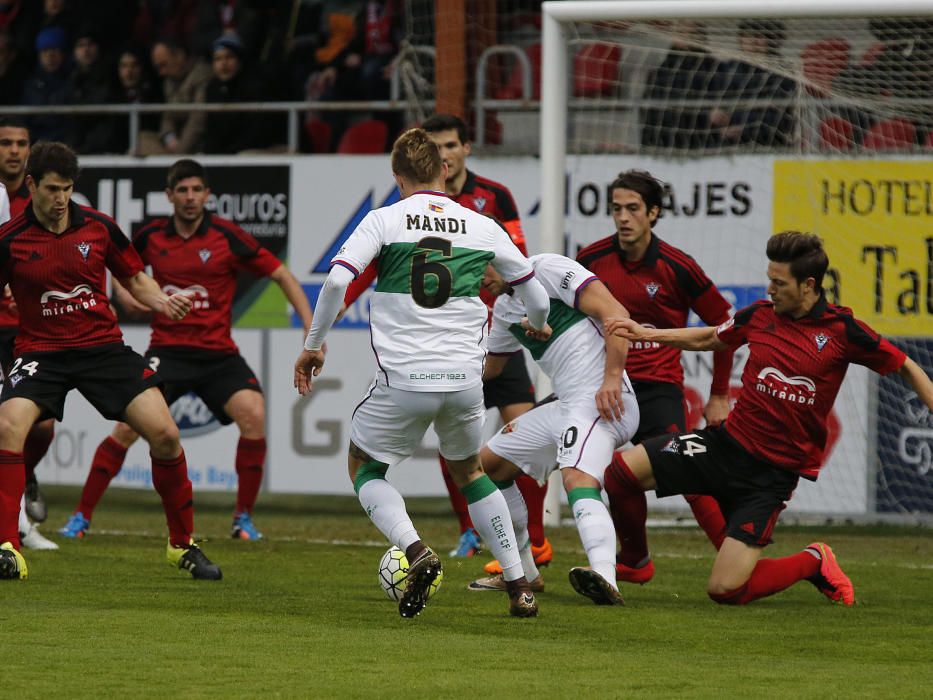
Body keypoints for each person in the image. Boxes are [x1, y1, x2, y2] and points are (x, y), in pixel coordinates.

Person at [294, 128, 550, 618]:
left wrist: (313, 345)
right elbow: (534, 295)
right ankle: (520, 586)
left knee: (365, 467)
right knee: (471, 472)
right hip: (464, 380)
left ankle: (415, 551)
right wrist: (536, 326)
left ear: (397, 177)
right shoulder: (481, 223)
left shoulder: (384, 220)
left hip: (404, 379)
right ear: (445, 171)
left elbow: (337, 282)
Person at [604, 231, 933, 605]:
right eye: (769, 279)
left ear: (808, 285)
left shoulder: (843, 331)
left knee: (725, 590)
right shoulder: (760, 316)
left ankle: (814, 561)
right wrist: (646, 333)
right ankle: (634, 562)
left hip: (768, 477)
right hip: (722, 447)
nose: (770, 289)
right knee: (619, 475)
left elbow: (906, 367)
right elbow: (710, 338)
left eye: (779, 282)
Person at [0, 141, 221, 581]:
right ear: (31, 186)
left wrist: (161, 301)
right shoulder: (10, 240)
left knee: (165, 434)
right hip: (41, 353)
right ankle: (7, 546)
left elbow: (135, 278)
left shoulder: (99, 228)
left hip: (102, 348)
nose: (61, 199)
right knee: (9, 427)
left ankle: (182, 545)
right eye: (51, 190)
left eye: (67, 189)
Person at [60, 158, 313, 542]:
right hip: (168, 350)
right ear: (170, 196)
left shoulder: (227, 236)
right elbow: (123, 274)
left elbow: (280, 273)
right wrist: (130, 301)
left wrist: (312, 329)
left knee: (254, 414)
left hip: (218, 354)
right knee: (128, 427)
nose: (191, 197)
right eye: (183, 190)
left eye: (197, 190)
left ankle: (242, 518)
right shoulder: (150, 236)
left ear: (208, 195)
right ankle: (81, 516)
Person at [577, 170, 733, 584]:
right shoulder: (591, 261)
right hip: (603, 388)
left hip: (657, 389)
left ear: (653, 213)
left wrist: (718, 395)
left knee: (687, 471)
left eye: (632, 209)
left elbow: (725, 329)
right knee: (537, 451)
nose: (623, 217)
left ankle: (737, 560)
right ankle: (628, 561)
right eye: (616, 209)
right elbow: (566, 316)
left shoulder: (677, 267)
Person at [468, 254, 640, 605]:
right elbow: (492, 369)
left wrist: (610, 378)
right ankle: (523, 572)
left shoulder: (546, 269)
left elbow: (616, 315)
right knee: (486, 467)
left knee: (577, 477)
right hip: (566, 405)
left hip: (604, 398)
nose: (477, 279)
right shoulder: (503, 309)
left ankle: (606, 579)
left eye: (478, 268)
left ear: (499, 255)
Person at [0, 118, 58, 550]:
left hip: (29, 330)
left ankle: (26, 481)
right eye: (5, 143)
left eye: (21, 144)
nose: (13, 151)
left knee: (42, 427)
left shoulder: (45, 197)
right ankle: (18, 524)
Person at [141, 37, 212, 155]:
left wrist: (178, 154)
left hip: (198, 144)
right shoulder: (169, 80)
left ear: (179, 55)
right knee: (142, 140)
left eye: (163, 65)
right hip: (176, 144)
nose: (161, 72)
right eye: (158, 67)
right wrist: (169, 137)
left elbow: (197, 121)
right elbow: (168, 115)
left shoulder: (202, 75)